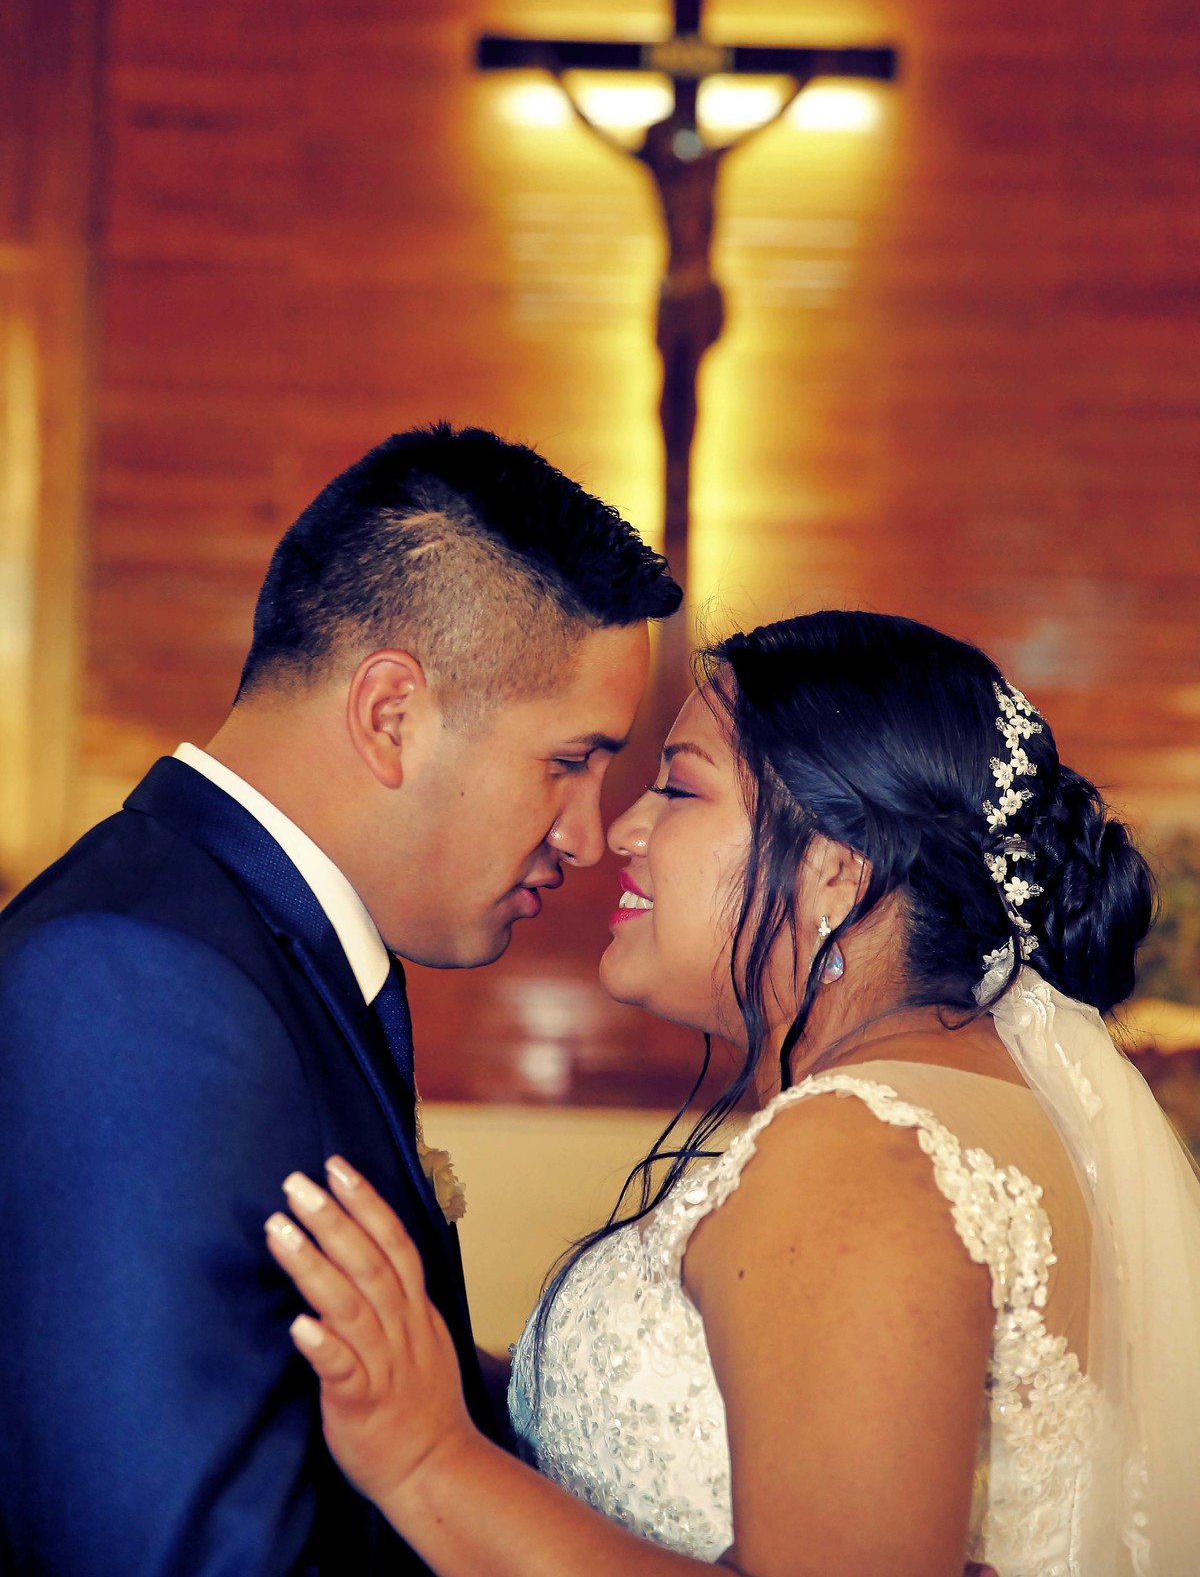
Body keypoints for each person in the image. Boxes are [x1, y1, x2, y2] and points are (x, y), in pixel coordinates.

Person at [265, 610, 1200, 1576]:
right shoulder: (962, 1105)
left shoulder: (860, 1150)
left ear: (837, 871)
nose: (621, 831)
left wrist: (426, 1463)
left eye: (678, 788)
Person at [0, 424, 681, 1576]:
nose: (586, 834)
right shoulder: (128, 981)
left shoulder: (244, 947)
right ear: (390, 714)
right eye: (571, 761)